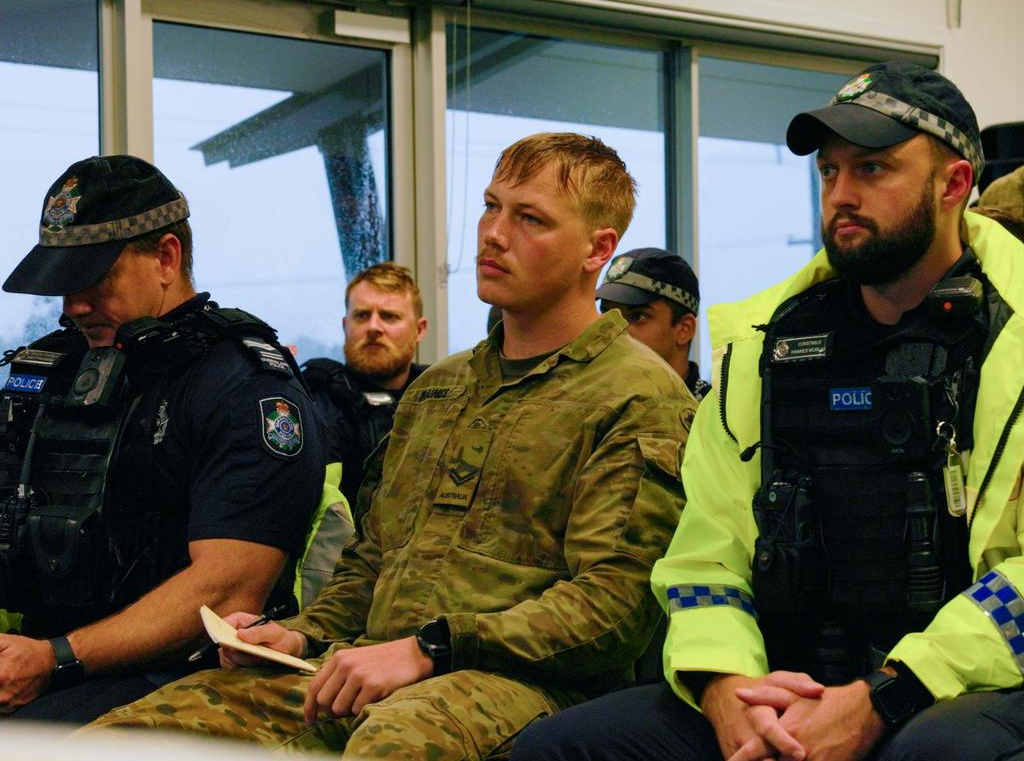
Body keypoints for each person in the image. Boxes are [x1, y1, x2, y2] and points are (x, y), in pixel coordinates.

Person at [81, 132, 696, 758]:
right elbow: (373, 562)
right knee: (126, 741)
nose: (493, 234)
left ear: (598, 249)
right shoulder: (441, 389)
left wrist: (432, 648)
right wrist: (298, 635)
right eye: (490, 206)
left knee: (394, 747)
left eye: (530, 218)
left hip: (527, 684)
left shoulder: (636, 395)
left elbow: (612, 608)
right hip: (370, 664)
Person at [513, 61, 1024, 761]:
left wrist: (889, 695)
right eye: (829, 172)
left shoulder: (1014, 337)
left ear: (954, 185)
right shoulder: (763, 348)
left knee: (940, 754)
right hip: (781, 678)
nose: (841, 195)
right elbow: (703, 558)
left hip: (957, 688)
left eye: (872, 170)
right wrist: (726, 690)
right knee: (562, 747)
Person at [0, 155, 324, 725]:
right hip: (45, 659)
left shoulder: (244, 382)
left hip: (186, 675)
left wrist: (55, 660)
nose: (73, 306)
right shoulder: (51, 369)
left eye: (95, 280)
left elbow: (228, 590)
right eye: (63, 285)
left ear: (166, 258)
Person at [301, 262, 427, 513]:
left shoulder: (444, 399)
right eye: (362, 315)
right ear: (345, 325)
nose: (373, 327)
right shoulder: (314, 403)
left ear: (419, 330)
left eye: (389, 316)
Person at [596, 247, 710, 399]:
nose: (616, 330)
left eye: (637, 316)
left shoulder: (716, 414)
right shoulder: (587, 406)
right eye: (607, 314)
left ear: (684, 329)